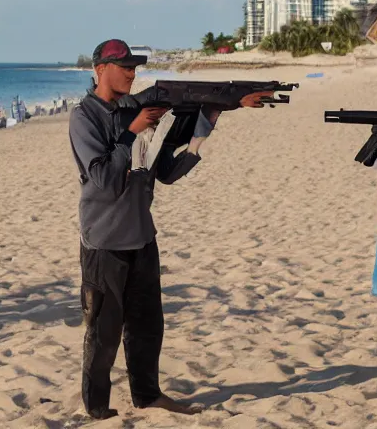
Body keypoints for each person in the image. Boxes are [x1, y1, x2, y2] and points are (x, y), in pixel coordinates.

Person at [68, 39, 273, 420]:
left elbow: (166, 173)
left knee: (148, 327)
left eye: (134, 67)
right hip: (104, 241)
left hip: (143, 235)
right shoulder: (85, 117)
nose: (131, 73)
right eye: (124, 66)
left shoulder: (141, 111)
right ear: (100, 70)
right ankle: (97, 408)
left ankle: (147, 396)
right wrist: (132, 132)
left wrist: (209, 121)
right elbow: (103, 181)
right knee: (103, 330)